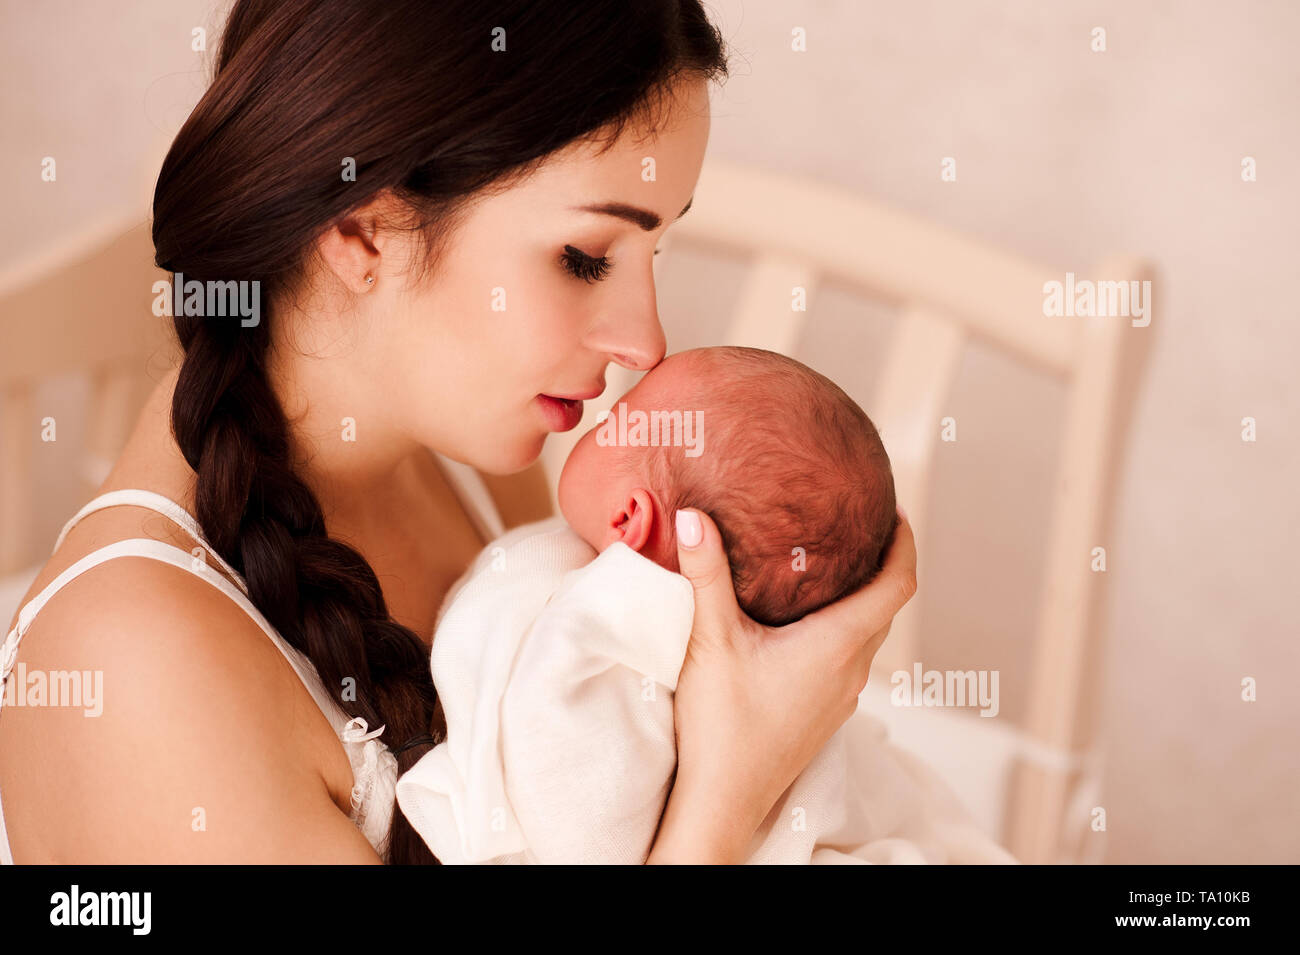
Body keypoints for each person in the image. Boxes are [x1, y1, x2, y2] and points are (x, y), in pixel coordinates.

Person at [0, 0, 916, 864]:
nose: (648, 342)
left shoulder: (463, 459)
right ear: (364, 226)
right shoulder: (132, 670)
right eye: (585, 256)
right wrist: (730, 793)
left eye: (656, 251)